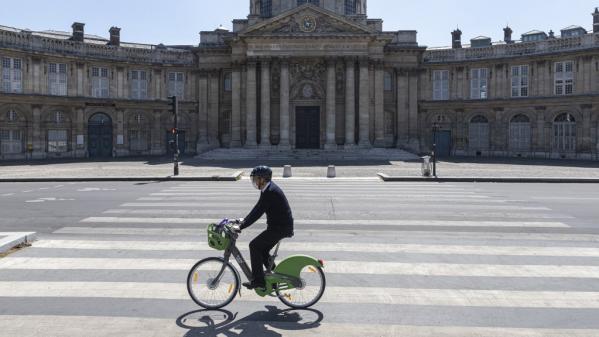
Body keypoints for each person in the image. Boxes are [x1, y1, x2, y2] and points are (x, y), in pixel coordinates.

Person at [234, 166, 294, 290]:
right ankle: (273, 280)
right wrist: (242, 221)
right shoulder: (267, 189)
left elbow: (258, 213)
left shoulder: (271, 191)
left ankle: (258, 281)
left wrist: (241, 226)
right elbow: (257, 208)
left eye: (256, 179)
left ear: (263, 179)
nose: (254, 182)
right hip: (278, 227)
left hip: (280, 228)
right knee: (263, 250)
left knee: (254, 246)